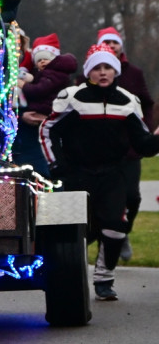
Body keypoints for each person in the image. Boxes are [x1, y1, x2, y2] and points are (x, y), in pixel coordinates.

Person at [39, 43, 159, 301]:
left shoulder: (128, 101)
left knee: (116, 228)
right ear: (89, 72)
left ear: (115, 71)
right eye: (97, 68)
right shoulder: (72, 97)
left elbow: (143, 144)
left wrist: (157, 137)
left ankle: (104, 279)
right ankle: (68, 277)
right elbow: (48, 130)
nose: (102, 72)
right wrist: (56, 165)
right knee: (76, 231)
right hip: (76, 173)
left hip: (112, 173)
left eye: (108, 67)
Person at [96, 26, 155, 260]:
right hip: (99, 152)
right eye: (106, 43)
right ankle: (107, 243)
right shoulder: (87, 78)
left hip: (130, 148)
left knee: (132, 197)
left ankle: (122, 234)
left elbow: (147, 103)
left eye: (115, 43)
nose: (111, 47)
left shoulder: (135, 73)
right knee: (101, 203)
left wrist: (146, 131)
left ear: (121, 46)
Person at [11, 33, 75, 176]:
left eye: (18, 45)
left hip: (42, 134)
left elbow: (39, 91)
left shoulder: (46, 75)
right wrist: (22, 117)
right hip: (20, 138)